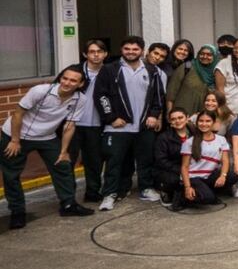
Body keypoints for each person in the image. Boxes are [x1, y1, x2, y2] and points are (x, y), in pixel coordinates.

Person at [2, 66, 94, 227]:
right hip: (17, 135)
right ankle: (17, 211)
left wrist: (64, 151)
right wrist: (15, 141)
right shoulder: (40, 91)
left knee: (63, 166)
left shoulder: (80, 99)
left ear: (80, 84)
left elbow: (69, 126)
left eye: (73, 80)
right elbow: (18, 114)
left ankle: (68, 205)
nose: (67, 82)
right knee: (11, 174)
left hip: (47, 136)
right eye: (65, 78)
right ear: (60, 78)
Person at [96, 36, 167, 210]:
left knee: (145, 160)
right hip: (118, 126)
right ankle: (110, 194)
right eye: (127, 49)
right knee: (114, 161)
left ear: (142, 51)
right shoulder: (110, 69)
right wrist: (111, 117)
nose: (131, 52)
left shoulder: (152, 70)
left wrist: (154, 115)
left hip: (144, 125)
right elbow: (101, 95)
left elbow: (158, 97)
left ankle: (146, 188)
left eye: (135, 49)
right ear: (121, 50)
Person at [177, 110, 238, 208]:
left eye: (208, 121)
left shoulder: (221, 139)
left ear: (213, 123)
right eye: (201, 121)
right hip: (193, 178)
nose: (204, 124)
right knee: (209, 199)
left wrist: (223, 176)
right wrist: (187, 187)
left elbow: (225, 161)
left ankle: (206, 192)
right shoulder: (189, 142)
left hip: (209, 177)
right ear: (197, 123)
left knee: (232, 176)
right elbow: (184, 167)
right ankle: (182, 196)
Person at [73, 40, 109, 204]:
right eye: (92, 51)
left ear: (105, 54)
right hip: (72, 124)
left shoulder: (110, 72)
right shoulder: (74, 71)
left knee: (94, 161)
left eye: (99, 51)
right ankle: (67, 197)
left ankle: (92, 192)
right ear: (85, 54)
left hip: (96, 124)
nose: (96, 55)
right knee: (68, 161)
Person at [153, 107, 191, 207]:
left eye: (180, 117)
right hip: (170, 170)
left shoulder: (195, 134)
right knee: (173, 180)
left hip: (190, 168)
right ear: (170, 122)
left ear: (187, 118)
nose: (177, 121)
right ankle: (165, 191)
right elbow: (161, 160)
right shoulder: (163, 138)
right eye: (173, 119)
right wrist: (180, 170)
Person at [167, 43, 217, 118]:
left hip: (204, 120)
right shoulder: (187, 67)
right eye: (202, 54)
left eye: (209, 55)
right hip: (181, 116)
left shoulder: (217, 72)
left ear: (215, 57)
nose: (205, 57)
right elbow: (171, 93)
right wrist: (169, 113)